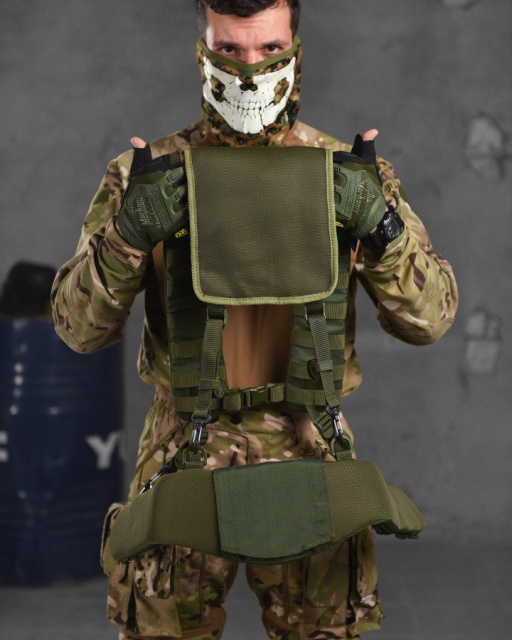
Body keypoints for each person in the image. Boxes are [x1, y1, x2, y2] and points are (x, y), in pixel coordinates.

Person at [51, 1, 458, 638]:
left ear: (295, 49)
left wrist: (380, 226)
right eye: (230, 49)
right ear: (202, 50)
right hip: (182, 449)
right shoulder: (147, 175)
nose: (249, 69)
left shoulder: (347, 174)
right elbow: (79, 329)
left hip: (308, 442)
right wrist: (129, 233)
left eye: (269, 49)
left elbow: (429, 320)